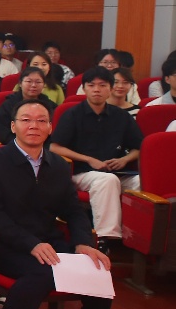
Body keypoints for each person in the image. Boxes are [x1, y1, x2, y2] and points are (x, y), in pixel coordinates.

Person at [0, 99, 114, 309]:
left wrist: (82, 243)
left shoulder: (59, 165)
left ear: (50, 128)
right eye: (26, 120)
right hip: (6, 244)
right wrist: (31, 243)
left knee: (98, 267)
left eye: (41, 121)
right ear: (13, 126)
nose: (34, 126)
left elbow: (74, 211)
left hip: (49, 241)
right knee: (41, 273)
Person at [48, 66, 142, 252]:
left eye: (102, 85)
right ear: (84, 88)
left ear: (110, 89)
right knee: (107, 181)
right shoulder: (72, 114)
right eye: (91, 85)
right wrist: (89, 160)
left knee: (141, 181)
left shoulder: (121, 116)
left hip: (116, 170)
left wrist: (124, 160)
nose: (97, 90)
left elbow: (139, 147)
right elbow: (54, 147)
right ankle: (105, 238)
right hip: (81, 172)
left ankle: (137, 237)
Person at [0, 68, 56, 145]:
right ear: (20, 83)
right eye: (29, 81)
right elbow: (4, 133)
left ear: (44, 85)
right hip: (15, 146)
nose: (33, 85)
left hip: (43, 146)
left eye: (38, 82)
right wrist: (24, 145)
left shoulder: (50, 106)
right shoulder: (8, 105)